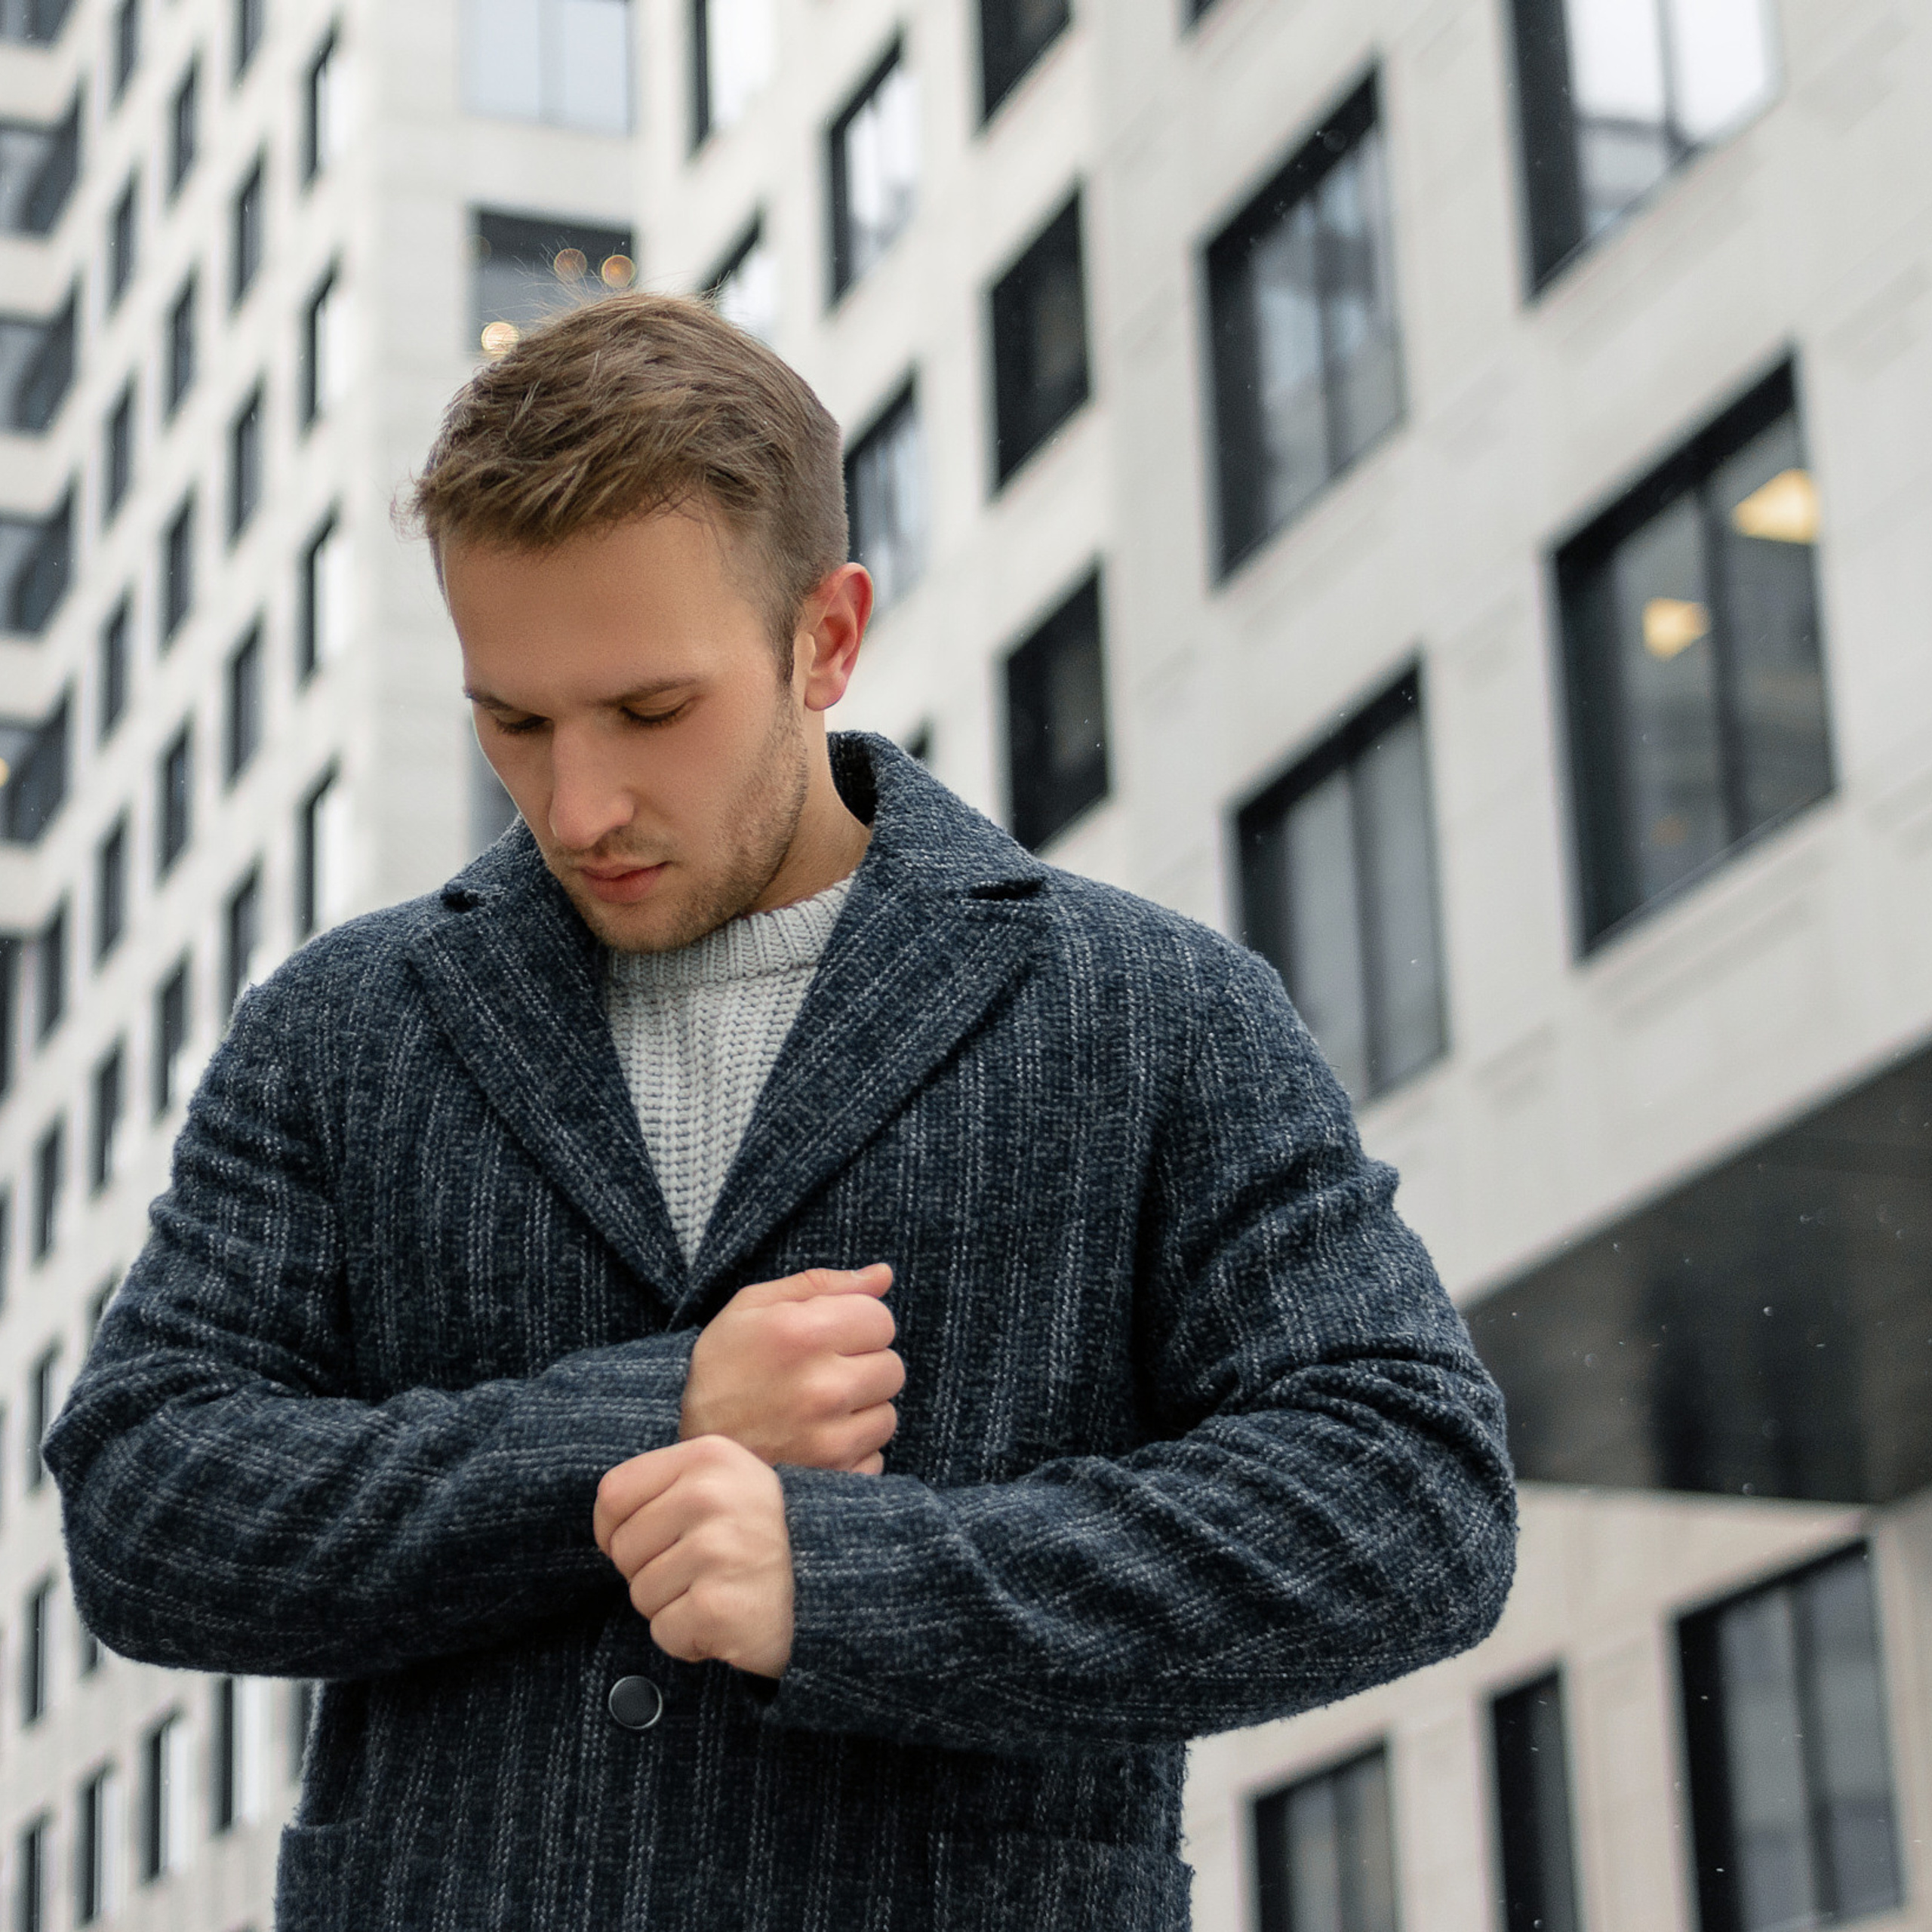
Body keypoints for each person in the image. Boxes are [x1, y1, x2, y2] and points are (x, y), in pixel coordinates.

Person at [48, 292, 1515, 1931]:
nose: (577, 803)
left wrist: (856, 1583)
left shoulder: (1148, 1007)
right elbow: (145, 1504)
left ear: (824, 636)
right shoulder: (339, 1027)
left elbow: (1408, 1502)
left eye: (650, 711)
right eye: (512, 721)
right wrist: (642, 1416)